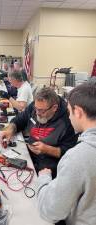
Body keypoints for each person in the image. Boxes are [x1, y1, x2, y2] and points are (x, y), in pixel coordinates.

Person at [36, 83, 96, 225]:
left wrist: (44, 179)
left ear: (78, 112)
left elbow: (51, 211)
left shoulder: (78, 157)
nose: (69, 117)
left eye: (69, 112)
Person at [0, 87, 77, 177]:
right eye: (36, 108)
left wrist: (47, 149)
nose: (36, 113)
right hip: (29, 153)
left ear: (54, 108)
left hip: (49, 164)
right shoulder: (37, 106)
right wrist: (10, 130)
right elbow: (20, 119)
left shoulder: (68, 121)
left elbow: (69, 152)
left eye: (41, 111)